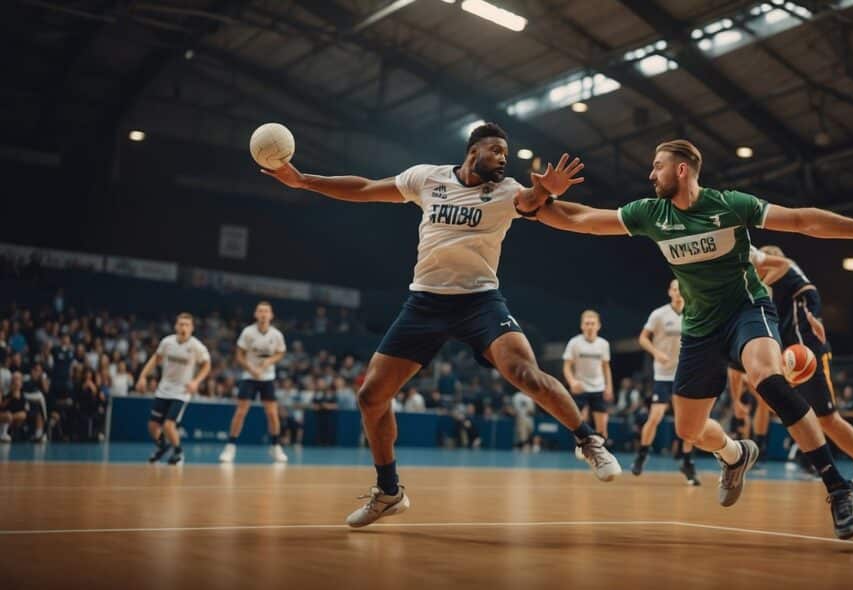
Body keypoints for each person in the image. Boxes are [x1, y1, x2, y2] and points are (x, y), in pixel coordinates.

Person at [533, 139, 853, 539]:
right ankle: (735, 453)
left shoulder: (729, 204)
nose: (650, 174)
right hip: (699, 327)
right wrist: (540, 197)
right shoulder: (651, 214)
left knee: (767, 378)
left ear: (681, 170)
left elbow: (801, 220)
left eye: (657, 166)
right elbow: (583, 219)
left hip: (747, 310)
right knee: (688, 431)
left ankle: (837, 484)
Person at [260, 123, 621, 527]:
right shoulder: (426, 177)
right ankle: (389, 491)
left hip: (480, 300)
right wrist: (304, 180)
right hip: (426, 302)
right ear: (473, 150)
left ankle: (588, 439)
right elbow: (364, 189)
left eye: (507, 153)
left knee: (525, 373)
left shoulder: (506, 191)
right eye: (497, 150)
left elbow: (530, 201)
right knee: (371, 397)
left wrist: (547, 189)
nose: (504, 157)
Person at [749, 245, 853, 495]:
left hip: (807, 354)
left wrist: (817, 319)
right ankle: (827, 463)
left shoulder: (788, 273)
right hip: (794, 356)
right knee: (804, 415)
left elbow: (810, 295)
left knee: (828, 418)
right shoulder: (780, 290)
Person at [632, 279, 699, 484]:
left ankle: (687, 462)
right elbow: (642, 339)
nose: (679, 293)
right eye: (675, 289)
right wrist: (656, 353)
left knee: (688, 421)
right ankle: (642, 455)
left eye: (682, 289)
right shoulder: (659, 314)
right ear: (669, 292)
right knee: (655, 416)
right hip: (663, 374)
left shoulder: (694, 312)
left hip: (685, 374)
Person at [135, 313, 211, 465]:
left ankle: (178, 452)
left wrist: (196, 382)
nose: (183, 327)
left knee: (169, 425)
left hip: (181, 392)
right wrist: (142, 377)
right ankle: (162, 446)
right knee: (152, 426)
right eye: (181, 324)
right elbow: (155, 359)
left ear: (192, 328)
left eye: (187, 325)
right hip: (164, 389)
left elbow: (207, 365)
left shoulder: (196, 346)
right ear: (176, 326)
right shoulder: (167, 342)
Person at [219, 301, 288, 463]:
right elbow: (239, 355)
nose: (263, 314)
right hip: (249, 377)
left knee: (272, 413)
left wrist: (269, 361)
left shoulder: (276, 335)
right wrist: (250, 369)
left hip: (268, 378)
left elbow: (280, 352)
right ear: (256, 315)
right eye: (260, 311)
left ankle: (276, 446)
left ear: (271, 315)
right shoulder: (248, 332)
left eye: (266, 311)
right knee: (241, 412)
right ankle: (230, 447)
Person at [562, 310, 613, 440]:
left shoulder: (603, 344)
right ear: (582, 326)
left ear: (598, 325)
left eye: (592, 323)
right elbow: (567, 366)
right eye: (587, 323)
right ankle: (581, 447)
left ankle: (602, 455)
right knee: (579, 424)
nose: (590, 326)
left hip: (598, 388)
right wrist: (572, 382)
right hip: (581, 388)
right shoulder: (574, 343)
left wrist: (609, 387)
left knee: (602, 429)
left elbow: (606, 367)